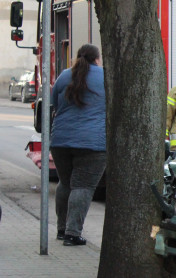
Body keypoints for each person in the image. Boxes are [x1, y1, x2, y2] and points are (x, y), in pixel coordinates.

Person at [51, 44, 106, 246]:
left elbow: (55, 104)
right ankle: (72, 234)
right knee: (82, 186)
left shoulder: (65, 76)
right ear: (97, 59)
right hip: (93, 143)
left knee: (66, 183)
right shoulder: (105, 77)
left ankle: (61, 229)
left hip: (60, 141)